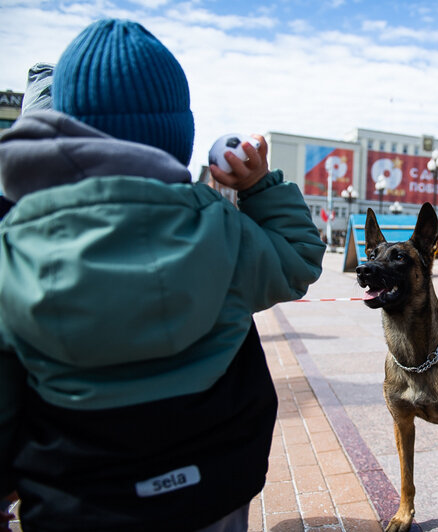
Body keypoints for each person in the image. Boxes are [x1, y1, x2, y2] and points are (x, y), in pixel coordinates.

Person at [0, 18, 325, 532]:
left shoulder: (16, 245)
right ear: (177, 135)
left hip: (80, 502)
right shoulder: (222, 231)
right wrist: (260, 186)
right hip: (214, 488)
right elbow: (299, 257)